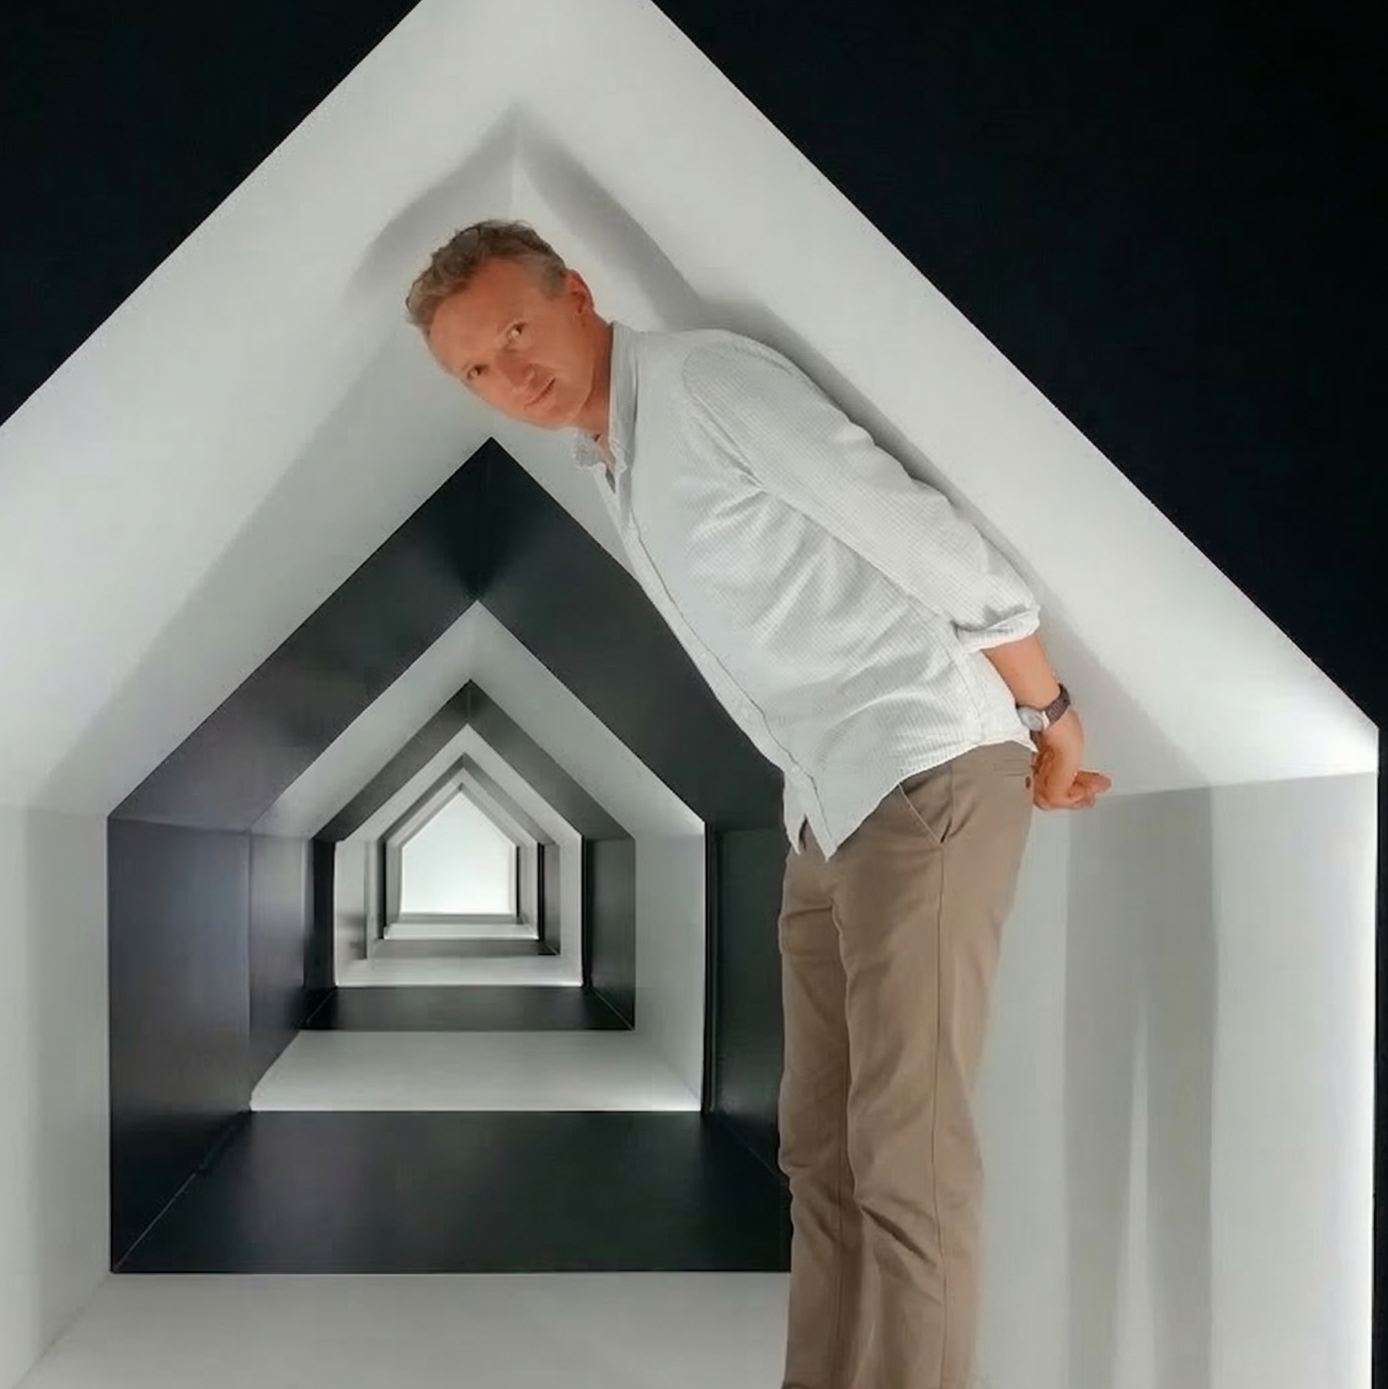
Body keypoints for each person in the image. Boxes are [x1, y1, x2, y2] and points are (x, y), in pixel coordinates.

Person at [406, 220, 1112, 1389]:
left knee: (908, 1157)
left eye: (516, 329)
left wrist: (1048, 709)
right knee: (819, 1159)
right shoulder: (614, 462)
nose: (509, 373)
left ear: (574, 292)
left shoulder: (701, 384)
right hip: (824, 809)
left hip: (921, 765)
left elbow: (908, 526)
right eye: (477, 367)